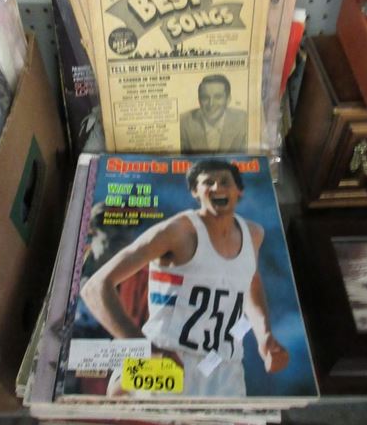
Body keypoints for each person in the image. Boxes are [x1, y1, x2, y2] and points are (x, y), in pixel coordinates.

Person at [80, 159, 289, 397]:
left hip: (221, 365)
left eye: (224, 182)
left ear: (238, 191)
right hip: (167, 357)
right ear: (195, 192)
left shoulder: (253, 234)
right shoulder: (175, 232)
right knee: (126, 408)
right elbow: (94, 287)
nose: (217, 187)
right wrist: (144, 348)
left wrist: (264, 334)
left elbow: (250, 282)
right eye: (208, 182)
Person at [179, 74, 247, 153]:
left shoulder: (244, 120)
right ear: (199, 100)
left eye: (218, 97)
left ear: (228, 99)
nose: (211, 104)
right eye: (205, 97)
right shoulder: (183, 122)